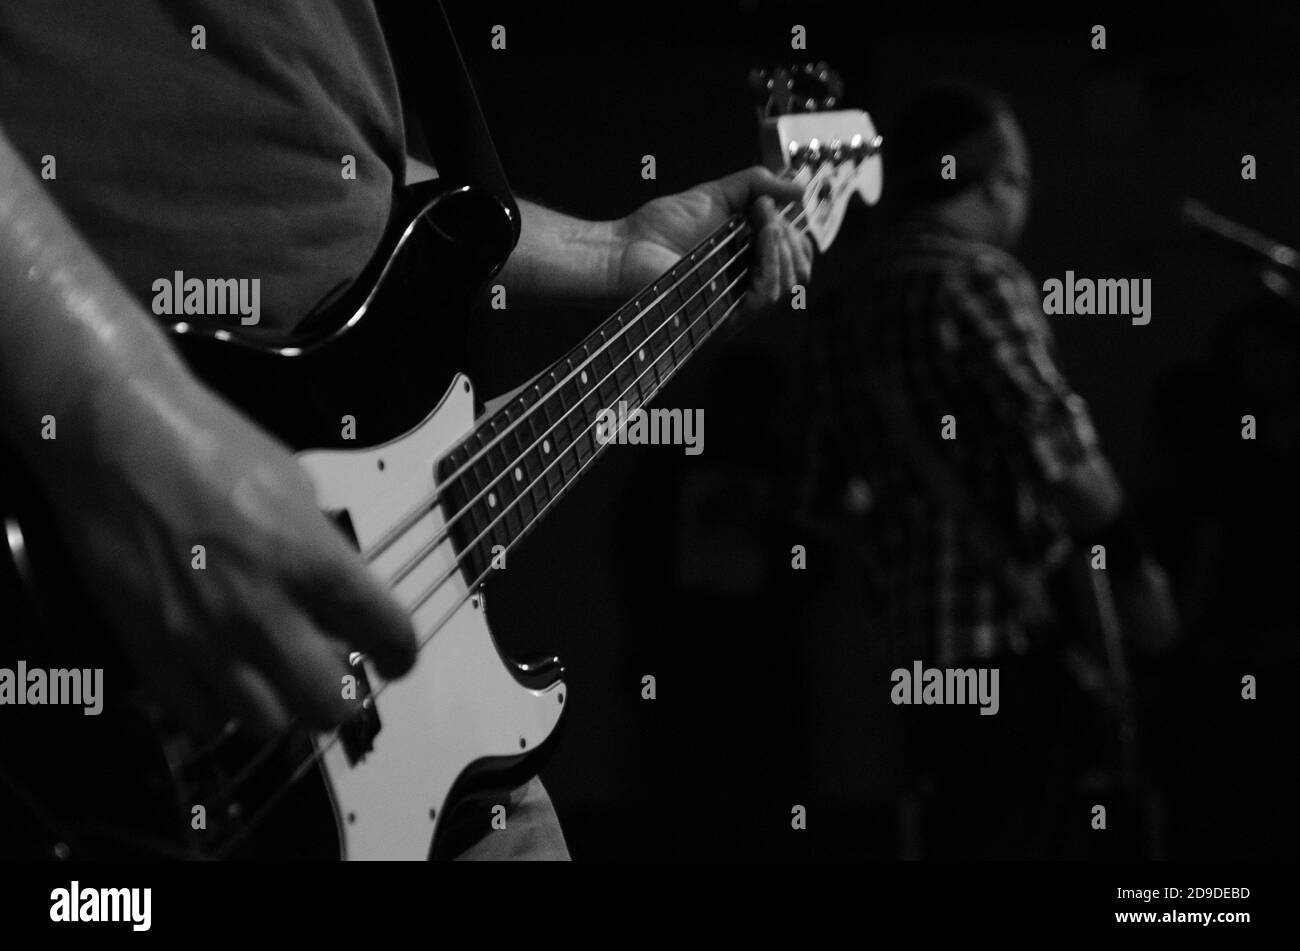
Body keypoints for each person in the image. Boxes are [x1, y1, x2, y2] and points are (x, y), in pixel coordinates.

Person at [0, 1, 811, 860]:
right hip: (93, 599)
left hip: (418, 736)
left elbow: (327, 156)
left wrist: (609, 252)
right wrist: (120, 420)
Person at [805, 81, 1176, 858]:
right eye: (1022, 180)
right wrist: (1140, 577)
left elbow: (833, 482)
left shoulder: (850, 294)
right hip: (1003, 634)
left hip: (909, 645)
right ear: (993, 179)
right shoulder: (975, 276)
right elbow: (1065, 464)